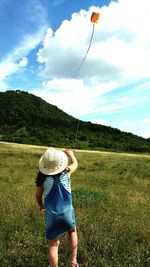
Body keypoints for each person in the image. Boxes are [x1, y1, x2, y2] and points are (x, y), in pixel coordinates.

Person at [35, 147, 79, 267]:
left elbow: (38, 196)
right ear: (60, 163)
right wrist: (71, 154)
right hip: (67, 213)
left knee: (53, 244)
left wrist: (41, 205)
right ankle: (74, 261)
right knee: (72, 232)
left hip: (52, 215)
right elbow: (75, 164)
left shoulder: (43, 179)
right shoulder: (67, 172)